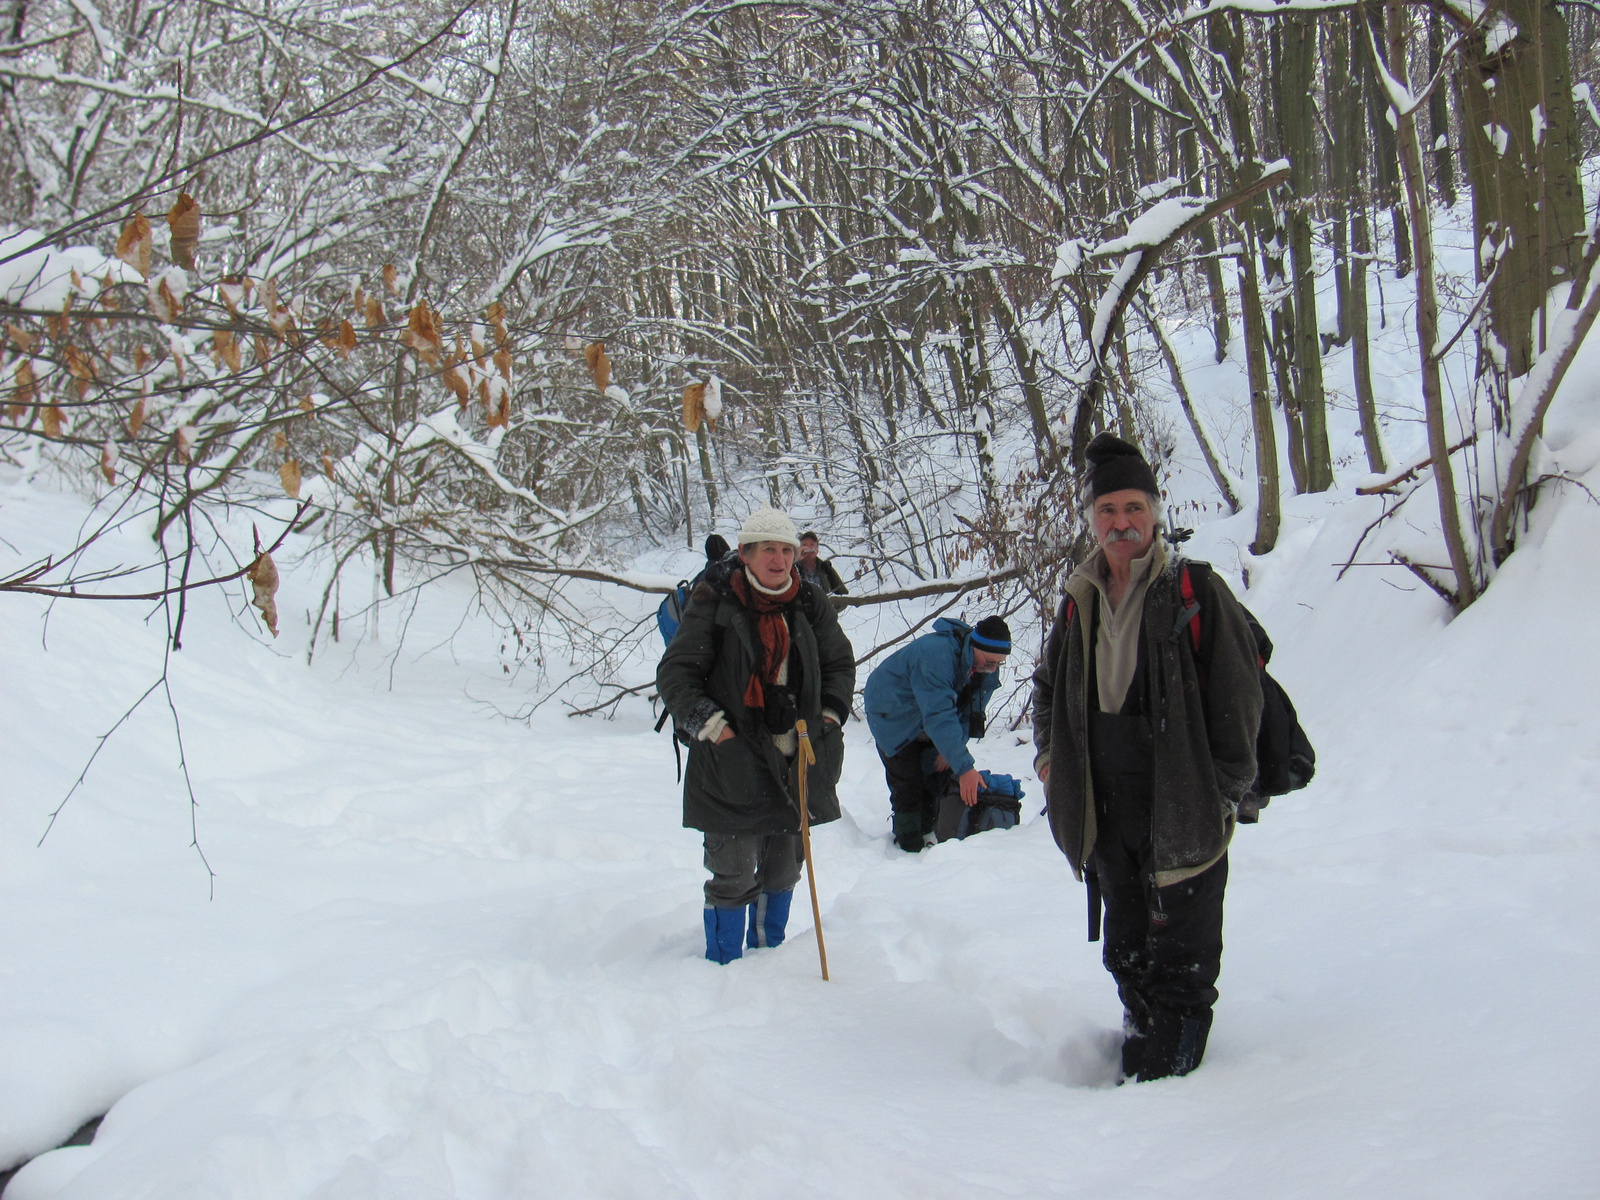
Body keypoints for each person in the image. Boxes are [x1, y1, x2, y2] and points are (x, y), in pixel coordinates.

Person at [1032, 432, 1262, 1082]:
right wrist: (1051, 760)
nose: (1121, 522)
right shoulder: (1079, 599)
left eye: (1133, 508)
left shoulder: (1194, 592)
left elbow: (1239, 701)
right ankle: (1142, 1057)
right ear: (1092, 519)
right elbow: (1047, 687)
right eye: (1108, 511)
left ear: (1155, 512)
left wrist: (1219, 793)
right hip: (1107, 816)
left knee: (1182, 965)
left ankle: (1172, 1096)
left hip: (1181, 813)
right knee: (1126, 952)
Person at [656, 506, 855, 964]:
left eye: (787, 550)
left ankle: (771, 964)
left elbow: (839, 664)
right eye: (768, 549)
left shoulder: (809, 602)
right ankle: (724, 971)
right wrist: (714, 729)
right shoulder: (716, 601)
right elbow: (677, 673)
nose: (780, 559)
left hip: (798, 760)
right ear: (745, 553)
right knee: (732, 871)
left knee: (784, 869)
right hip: (733, 759)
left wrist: (829, 715)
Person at [863, 615, 1011, 852]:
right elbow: (939, 715)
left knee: (937, 774)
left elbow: (970, 713)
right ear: (975, 645)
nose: (992, 669)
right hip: (892, 712)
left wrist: (951, 752)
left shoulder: (986, 669)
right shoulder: (936, 654)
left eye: (998, 664)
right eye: (989, 661)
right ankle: (908, 846)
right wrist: (964, 766)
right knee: (907, 779)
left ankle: (931, 833)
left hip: (928, 714)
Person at [797, 531, 848, 597]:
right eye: (805, 545)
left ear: (817, 549)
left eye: (812, 545)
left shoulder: (825, 568)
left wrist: (830, 605)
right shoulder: (793, 568)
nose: (808, 548)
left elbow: (843, 595)